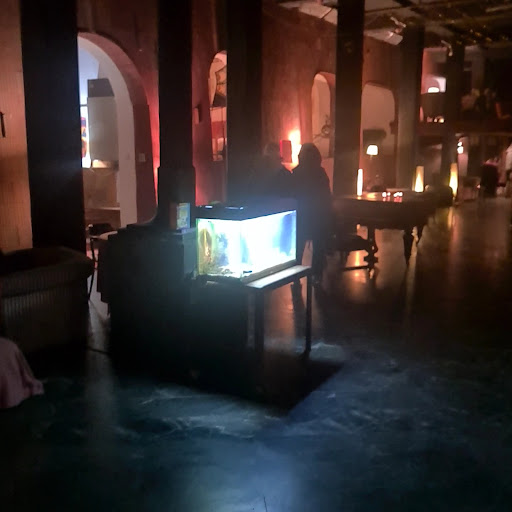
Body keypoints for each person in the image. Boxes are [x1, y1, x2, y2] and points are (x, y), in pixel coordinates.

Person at [291, 142, 332, 284]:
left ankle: (295, 277)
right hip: (317, 215)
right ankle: (317, 275)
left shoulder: (296, 174)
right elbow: (326, 196)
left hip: (301, 215)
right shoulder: (320, 174)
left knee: (298, 247)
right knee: (318, 246)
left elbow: (292, 195)